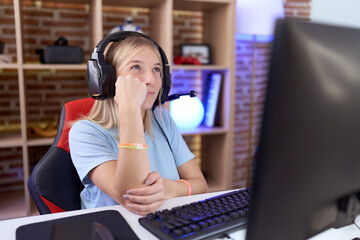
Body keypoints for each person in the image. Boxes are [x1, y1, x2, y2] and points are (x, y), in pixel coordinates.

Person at [69, 34, 209, 216]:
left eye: (157, 69)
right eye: (136, 67)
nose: (151, 79)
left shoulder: (162, 119)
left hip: (166, 222)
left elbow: (201, 185)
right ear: (107, 79)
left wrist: (170, 188)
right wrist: (130, 108)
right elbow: (133, 199)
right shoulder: (84, 133)